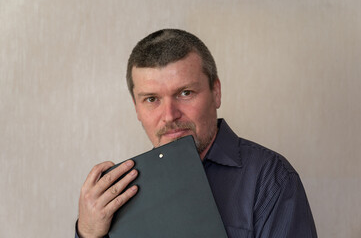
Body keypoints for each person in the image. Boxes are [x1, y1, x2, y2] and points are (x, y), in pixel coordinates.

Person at [76, 29, 317, 238]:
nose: (169, 115)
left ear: (216, 92)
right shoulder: (116, 193)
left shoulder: (271, 178)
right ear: (136, 108)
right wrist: (88, 233)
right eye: (152, 99)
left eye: (185, 93)